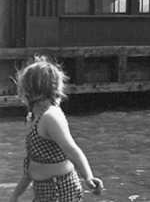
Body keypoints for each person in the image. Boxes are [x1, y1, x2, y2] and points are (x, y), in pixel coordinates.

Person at [8, 55, 103, 202]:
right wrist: (16, 195)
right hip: (43, 193)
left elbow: (72, 150)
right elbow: (32, 167)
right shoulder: (34, 117)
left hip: (61, 192)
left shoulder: (50, 117)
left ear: (30, 90)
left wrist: (88, 177)